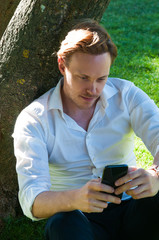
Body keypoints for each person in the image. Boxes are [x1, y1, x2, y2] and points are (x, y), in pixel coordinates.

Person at [13, 19, 159, 240]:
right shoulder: (34, 119)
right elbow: (32, 201)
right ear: (62, 65)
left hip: (133, 209)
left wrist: (155, 175)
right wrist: (76, 198)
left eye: (102, 78)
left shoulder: (126, 95)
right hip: (80, 219)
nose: (93, 89)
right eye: (83, 78)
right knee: (62, 223)